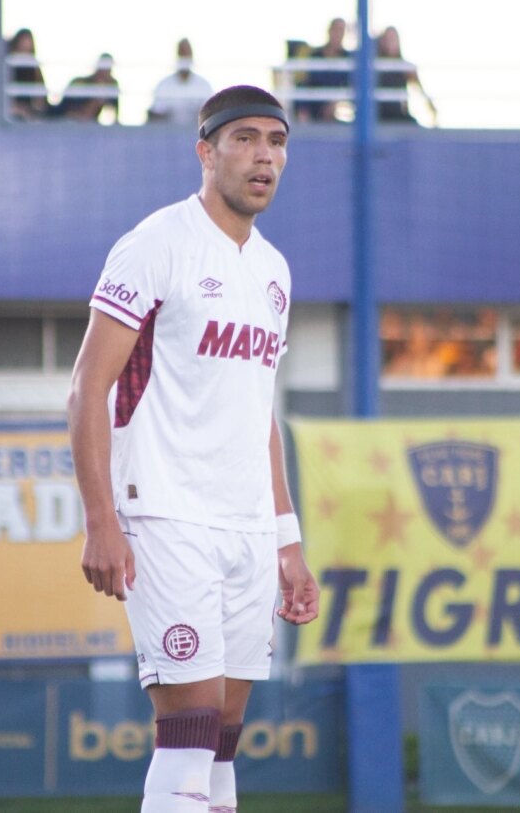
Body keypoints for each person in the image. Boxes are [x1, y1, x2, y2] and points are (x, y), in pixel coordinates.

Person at [68, 85, 319, 813]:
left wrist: (287, 538)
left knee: (223, 737)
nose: (264, 155)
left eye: (276, 141)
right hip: (166, 516)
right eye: (244, 139)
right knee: (187, 729)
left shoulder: (274, 270)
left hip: (246, 526)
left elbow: (258, 413)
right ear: (205, 151)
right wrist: (100, 520)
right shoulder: (157, 244)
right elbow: (89, 387)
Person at [375, 26, 437, 125]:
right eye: (386, 39)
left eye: (392, 39)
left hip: (398, 117)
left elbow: (420, 91)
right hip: (378, 118)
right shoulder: (374, 67)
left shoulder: (405, 68)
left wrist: (433, 110)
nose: (389, 43)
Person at [147, 38, 212, 126]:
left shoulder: (203, 85)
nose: (184, 57)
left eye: (187, 53)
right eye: (182, 53)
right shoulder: (164, 85)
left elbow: (209, 115)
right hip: (168, 135)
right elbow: (156, 114)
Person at [304, 17, 351, 122]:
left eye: (341, 30)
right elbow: (309, 81)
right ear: (329, 31)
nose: (338, 34)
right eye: (335, 30)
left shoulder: (348, 58)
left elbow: (348, 85)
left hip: (340, 108)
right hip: (315, 103)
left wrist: (335, 102)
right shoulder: (315, 55)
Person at [54, 53, 120, 123]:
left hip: (89, 125)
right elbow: (66, 111)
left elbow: (113, 115)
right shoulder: (79, 83)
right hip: (67, 121)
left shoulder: (110, 85)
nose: (104, 72)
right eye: (103, 68)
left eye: (108, 69)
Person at [4, 27, 50, 121]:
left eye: (28, 41)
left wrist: (33, 109)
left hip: (30, 112)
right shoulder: (8, 66)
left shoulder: (33, 67)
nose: (26, 45)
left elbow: (41, 98)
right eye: (23, 41)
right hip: (13, 110)